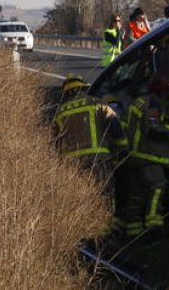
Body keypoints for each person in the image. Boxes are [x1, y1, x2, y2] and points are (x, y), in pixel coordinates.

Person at [53, 75, 126, 230]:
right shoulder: (96, 103)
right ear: (83, 88)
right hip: (97, 160)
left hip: (72, 165)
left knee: (80, 197)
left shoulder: (60, 113)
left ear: (66, 93)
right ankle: (105, 229)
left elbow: (54, 142)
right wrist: (122, 149)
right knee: (104, 193)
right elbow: (115, 126)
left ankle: (85, 228)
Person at [117, 76, 169, 238]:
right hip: (147, 156)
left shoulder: (138, 101)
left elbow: (122, 124)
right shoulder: (153, 105)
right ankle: (154, 224)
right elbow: (155, 130)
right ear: (162, 91)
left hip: (132, 156)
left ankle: (133, 231)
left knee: (137, 194)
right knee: (158, 186)